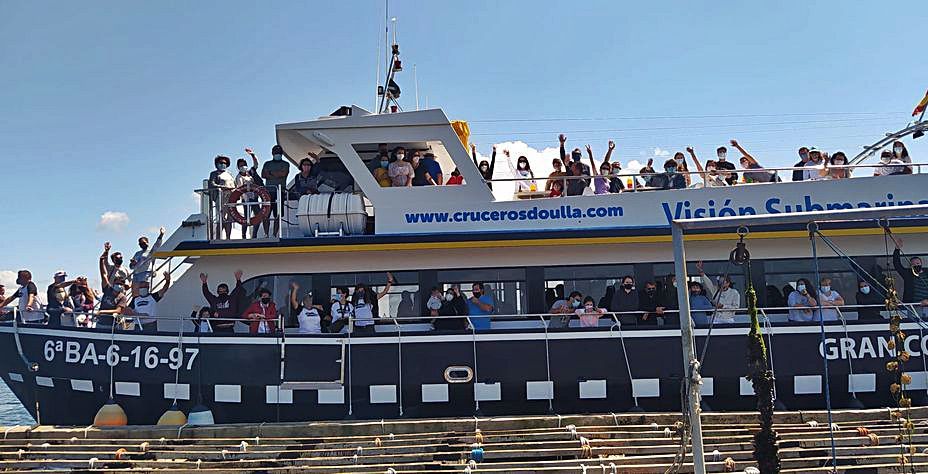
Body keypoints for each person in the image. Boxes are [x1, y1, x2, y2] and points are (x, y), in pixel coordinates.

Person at [257, 145, 289, 238]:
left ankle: (275, 234)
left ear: (282, 154)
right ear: (272, 153)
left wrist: (270, 173)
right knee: (265, 213)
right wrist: (277, 174)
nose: (277, 154)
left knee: (277, 214)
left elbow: (283, 173)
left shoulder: (286, 164)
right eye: (275, 153)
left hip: (280, 192)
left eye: (278, 153)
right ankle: (266, 234)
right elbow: (263, 174)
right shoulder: (267, 163)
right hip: (268, 192)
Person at [892, 237, 928, 311]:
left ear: (921, 264)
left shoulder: (927, 274)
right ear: (911, 266)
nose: (916, 265)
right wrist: (897, 249)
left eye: (918, 263)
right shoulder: (908, 274)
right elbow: (897, 265)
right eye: (914, 264)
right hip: (912, 307)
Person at [97, 247, 130, 329]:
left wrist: (101, 312)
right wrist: (102, 258)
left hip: (120, 298)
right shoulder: (111, 269)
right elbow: (103, 273)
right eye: (118, 258)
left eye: (121, 258)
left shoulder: (125, 270)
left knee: (120, 317)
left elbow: (129, 283)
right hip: (110, 292)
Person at [208, 155, 236, 239]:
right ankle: (218, 237)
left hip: (231, 196)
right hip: (221, 196)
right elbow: (212, 184)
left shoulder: (229, 174)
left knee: (230, 218)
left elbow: (234, 184)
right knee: (222, 218)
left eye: (224, 163)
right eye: (221, 163)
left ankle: (228, 237)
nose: (223, 164)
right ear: (217, 164)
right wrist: (221, 187)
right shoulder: (214, 173)